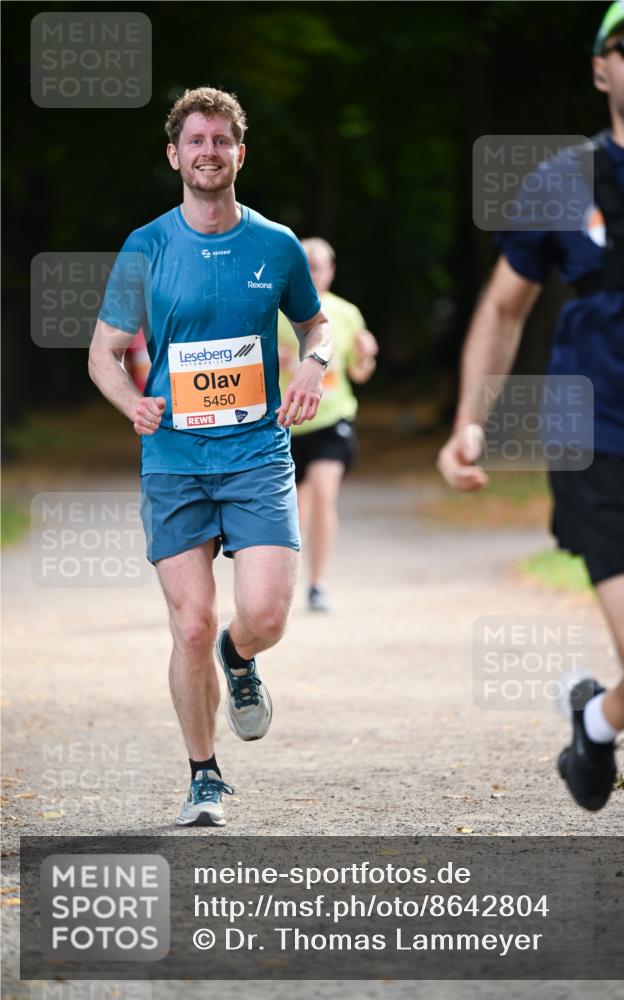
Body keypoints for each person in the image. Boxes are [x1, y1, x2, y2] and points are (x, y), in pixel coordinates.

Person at [437, 1, 624, 863]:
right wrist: (469, 424)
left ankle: (596, 721)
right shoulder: (563, 182)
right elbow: (502, 308)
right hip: (607, 456)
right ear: (602, 70)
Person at [88, 87, 332, 827]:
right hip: (174, 458)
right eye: (195, 140)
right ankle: (203, 774)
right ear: (174, 154)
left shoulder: (276, 244)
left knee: (265, 614)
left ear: (239, 154)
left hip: (256, 451)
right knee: (188, 622)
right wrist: (132, 401)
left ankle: (241, 654)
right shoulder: (146, 246)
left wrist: (313, 366)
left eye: (221, 140)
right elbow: (102, 354)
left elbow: (316, 327)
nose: (208, 151)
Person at [277, 238, 378, 611]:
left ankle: (318, 583)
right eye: (304, 265)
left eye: (317, 265)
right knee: (293, 510)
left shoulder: (347, 314)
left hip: (331, 420)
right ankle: (283, 583)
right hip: (286, 423)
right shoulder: (274, 310)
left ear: (331, 271)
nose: (311, 272)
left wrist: (366, 358)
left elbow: (359, 373)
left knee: (323, 492)